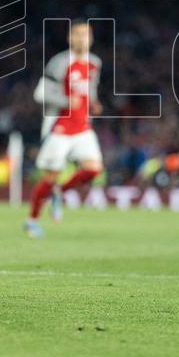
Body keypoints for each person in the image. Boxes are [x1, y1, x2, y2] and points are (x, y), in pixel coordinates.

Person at [25, 21, 103, 238]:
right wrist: (68, 101)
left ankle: (59, 193)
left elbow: (91, 88)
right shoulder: (59, 62)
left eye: (85, 35)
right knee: (51, 175)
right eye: (77, 34)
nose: (81, 39)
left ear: (91, 38)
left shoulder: (95, 62)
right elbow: (40, 94)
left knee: (94, 168)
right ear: (69, 38)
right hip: (59, 126)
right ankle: (32, 221)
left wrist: (93, 103)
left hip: (82, 127)